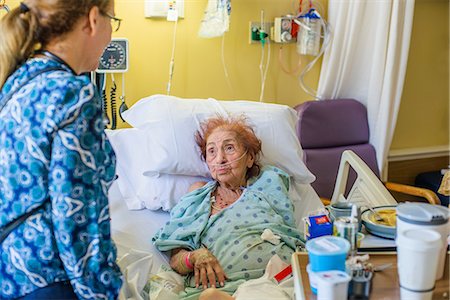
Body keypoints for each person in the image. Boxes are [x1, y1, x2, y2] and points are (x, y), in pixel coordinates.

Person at [0, 1, 123, 299]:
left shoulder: (17, 82)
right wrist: (105, 293)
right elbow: (78, 217)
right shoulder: (75, 95)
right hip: (50, 281)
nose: (111, 33)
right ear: (94, 19)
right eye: (113, 21)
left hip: (10, 275)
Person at [153, 115, 304, 299]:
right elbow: (176, 260)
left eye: (229, 148)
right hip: (224, 289)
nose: (220, 159)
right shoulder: (198, 197)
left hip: (281, 279)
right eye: (211, 151)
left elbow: (290, 233)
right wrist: (194, 256)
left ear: (249, 158)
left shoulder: (268, 182)